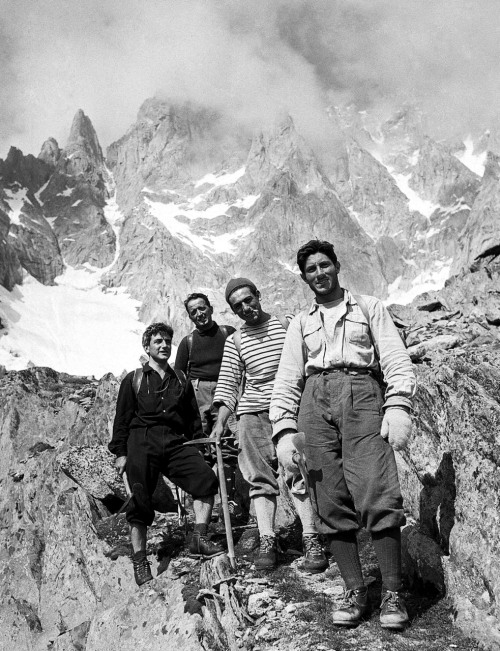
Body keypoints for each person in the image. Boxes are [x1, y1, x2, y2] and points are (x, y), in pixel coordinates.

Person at [270, 240, 416, 630]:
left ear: (337, 266)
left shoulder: (369, 307)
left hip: (362, 393)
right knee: (327, 495)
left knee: (375, 487)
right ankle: (355, 589)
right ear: (304, 278)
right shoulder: (301, 323)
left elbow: (394, 357)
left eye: (324, 265)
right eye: (311, 270)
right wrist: (283, 429)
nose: (319, 274)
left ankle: (392, 593)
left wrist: (398, 403)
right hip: (313, 402)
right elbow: (287, 378)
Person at [211, 278, 328, 573]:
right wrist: (220, 423)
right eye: (237, 306)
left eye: (249, 300)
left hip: (288, 407)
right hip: (251, 415)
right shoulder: (235, 340)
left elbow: (309, 361)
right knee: (258, 478)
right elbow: (227, 387)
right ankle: (268, 540)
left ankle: (311, 539)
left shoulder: (286, 324)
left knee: (296, 467)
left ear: (259, 295)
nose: (245, 308)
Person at [109, 322, 223, 587]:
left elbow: (193, 417)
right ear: (147, 347)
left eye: (167, 342)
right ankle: (140, 561)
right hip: (141, 443)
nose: (164, 346)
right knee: (139, 503)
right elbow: (122, 420)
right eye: (158, 341)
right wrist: (120, 453)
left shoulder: (181, 379)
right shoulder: (134, 379)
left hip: (175, 443)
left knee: (205, 480)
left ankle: (199, 537)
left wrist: (198, 446)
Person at [174, 292, 235, 436]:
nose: (199, 314)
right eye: (193, 312)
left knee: (228, 434)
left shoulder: (228, 333)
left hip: (227, 389)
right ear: (190, 317)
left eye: (202, 308)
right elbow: (179, 376)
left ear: (211, 309)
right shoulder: (187, 342)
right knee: (201, 434)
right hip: (198, 394)